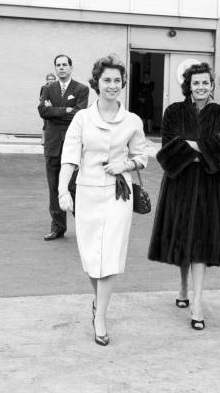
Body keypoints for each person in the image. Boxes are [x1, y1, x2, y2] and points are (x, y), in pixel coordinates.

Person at [58, 55, 148, 346]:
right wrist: (63, 191)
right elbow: (70, 158)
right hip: (86, 192)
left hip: (118, 194)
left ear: (123, 84)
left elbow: (142, 156)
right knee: (90, 256)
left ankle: (100, 316)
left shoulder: (132, 120)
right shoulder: (82, 118)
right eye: (107, 80)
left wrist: (126, 166)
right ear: (96, 83)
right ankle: (98, 301)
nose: (112, 85)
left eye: (117, 81)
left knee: (109, 256)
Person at [148, 62, 220, 331]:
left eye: (205, 83)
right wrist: (204, 147)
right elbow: (167, 149)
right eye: (196, 83)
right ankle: (183, 286)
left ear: (211, 85)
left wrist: (191, 145)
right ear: (188, 85)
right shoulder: (174, 111)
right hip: (179, 183)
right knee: (183, 236)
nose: (200, 87)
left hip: (209, 184)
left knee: (201, 242)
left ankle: (197, 302)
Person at [38, 55, 89, 241]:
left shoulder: (81, 89)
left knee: (74, 187)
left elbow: (79, 114)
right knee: (54, 188)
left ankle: (84, 226)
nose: (61, 68)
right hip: (52, 145)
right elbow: (42, 111)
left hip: (72, 144)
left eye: (64, 65)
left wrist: (55, 111)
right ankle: (58, 227)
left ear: (71, 67)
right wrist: (66, 110)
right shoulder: (48, 88)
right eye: (58, 65)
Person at [39, 73, 57, 145]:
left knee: (54, 124)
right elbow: (41, 98)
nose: (51, 81)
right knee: (46, 124)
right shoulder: (44, 88)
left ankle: (52, 140)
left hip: (54, 108)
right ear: (47, 80)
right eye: (49, 79)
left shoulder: (57, 88)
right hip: (46, 108)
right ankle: (43, 140)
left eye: (53, 79)